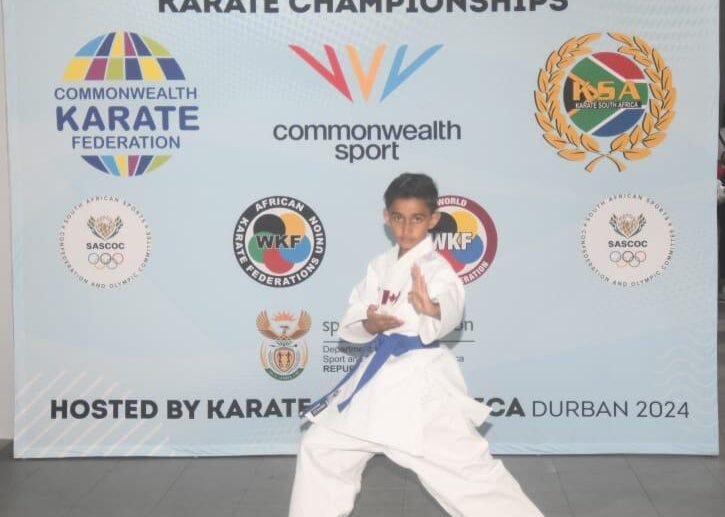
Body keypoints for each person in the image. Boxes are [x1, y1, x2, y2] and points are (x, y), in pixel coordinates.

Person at [288, 173, 543, 517]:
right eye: (398, 218)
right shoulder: (380, 265)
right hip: (376, 387)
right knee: (321, 448)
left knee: (472, 479)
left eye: (417, 219)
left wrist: (431, 308)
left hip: (420, 393)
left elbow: (449, 306)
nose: (406, 228)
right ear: (386, 216)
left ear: (433, 220)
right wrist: (370, 322)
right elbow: (357, 311)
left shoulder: (438, 269)